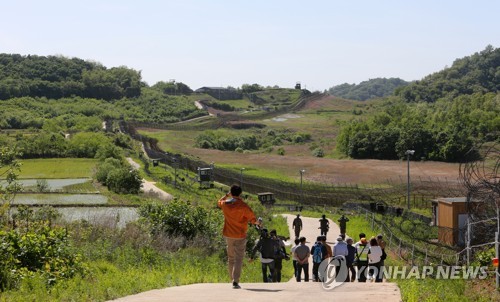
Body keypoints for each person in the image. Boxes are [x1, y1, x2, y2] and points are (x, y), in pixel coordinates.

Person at [218, 184, 260, 289]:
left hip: (228, 234)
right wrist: (258, 223)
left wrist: (226, 195)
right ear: (240, 193)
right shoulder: (243, 206)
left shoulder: (225, 204)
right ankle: (235, 281)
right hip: (240, 235)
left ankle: (231, 279)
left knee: (231, 258)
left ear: (231, 193)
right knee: (239, 259)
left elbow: (219, 202)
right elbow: (252, 219)